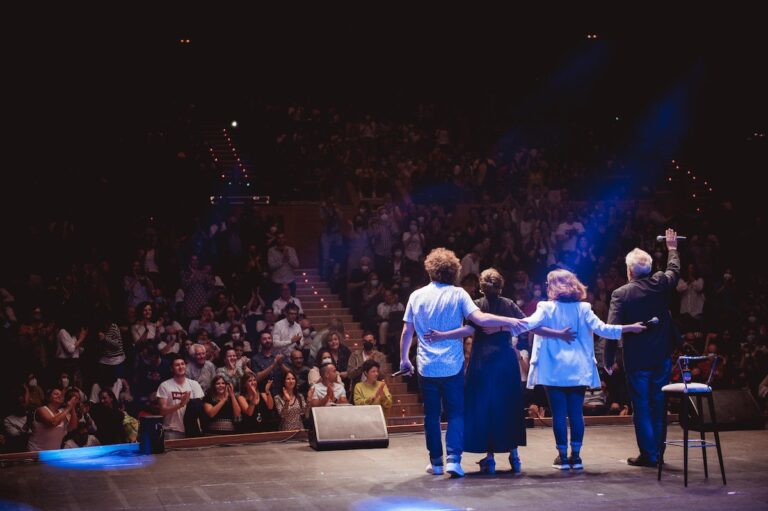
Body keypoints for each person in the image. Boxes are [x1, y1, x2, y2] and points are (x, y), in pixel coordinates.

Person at [399, 248, 532, 478]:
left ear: (430, 270)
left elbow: (406, 331)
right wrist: (511, 321)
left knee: (431, 416)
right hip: (452, 366)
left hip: (426, 366)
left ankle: (437, 462)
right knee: (456, 413)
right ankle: (454, 460)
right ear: (453, 271)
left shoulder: (416, 296)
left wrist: (403, 360)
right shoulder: (459, 294)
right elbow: (476, 323)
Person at [426, 269, 575, 474]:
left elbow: (469, 331)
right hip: (505, 362)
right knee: (507, 407)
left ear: (480, 287)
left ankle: (490, 458)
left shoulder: (476, 305)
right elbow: (529, 326)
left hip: (482, 363)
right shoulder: (508, 304)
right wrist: (558, 333)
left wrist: (443, 335)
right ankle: (514, 456)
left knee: (485, 409)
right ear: (501, 286)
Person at [519, 269, 645, 470]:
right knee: (576, 413)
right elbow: (603, 329)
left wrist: (501, 322)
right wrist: (629, 327)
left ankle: (562, 456)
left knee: (559, 414)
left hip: (553, 371)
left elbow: (527, 325)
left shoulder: (545, 307)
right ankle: (576, 457)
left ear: (553, 286)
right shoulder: (584, 308)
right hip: (578, 369)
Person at [604, 228, 680, 468]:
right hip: (661, 356)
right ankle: (658, 452)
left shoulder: (621, 294)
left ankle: (649, 455)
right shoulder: (659, 283)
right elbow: (674, 270)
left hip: (637, 359)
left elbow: (612, 329)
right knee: (659, 404)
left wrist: (608, 358)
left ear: (629, 272)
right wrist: (672, 248)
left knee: (642, 405)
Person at [156, 355, 205, 439]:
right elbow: (162, 411)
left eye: (182, 364)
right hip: (172, 431)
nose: (181, 367)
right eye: (177, 365)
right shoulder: (164, 386)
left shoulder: (194, 384)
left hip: (192, 431)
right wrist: (180, 405)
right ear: (172, 368)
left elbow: (200, 409)